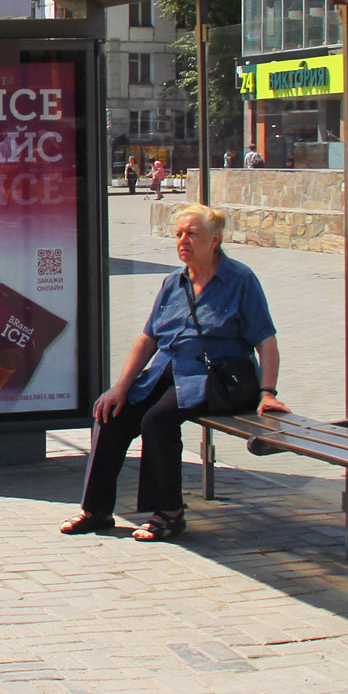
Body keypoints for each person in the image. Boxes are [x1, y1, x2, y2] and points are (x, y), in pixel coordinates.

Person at [60, 204, 288, 541]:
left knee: (157, 421)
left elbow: (266, 342)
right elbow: (147, 339)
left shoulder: (240, 280)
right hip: (165, 371)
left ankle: (169, 513)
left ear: (215, 239)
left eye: (192, 234)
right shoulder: (173, 282)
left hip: (213, 379)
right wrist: (121, 386)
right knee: (110, 413)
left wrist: (268, 393)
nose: (183, 241)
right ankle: (96, 510)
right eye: (179, 234)